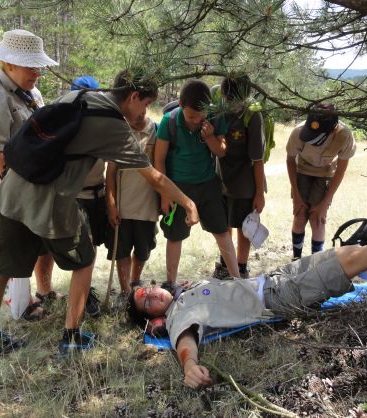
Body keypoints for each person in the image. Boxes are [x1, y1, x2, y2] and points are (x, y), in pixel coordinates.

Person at [128, 163, 367, 389]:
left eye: (147, 290)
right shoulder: (177, 318)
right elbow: (186, 344)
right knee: (355, 258)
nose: (152, 294)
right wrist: (189, 366)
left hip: (277, 276)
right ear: (154, 320)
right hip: (280, 297)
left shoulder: (187, 289)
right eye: (147, 303)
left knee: (345, 252)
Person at [0, 68, 199, 357]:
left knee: (1, 268)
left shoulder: (80, 95)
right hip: (51, 198)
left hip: (14, 190)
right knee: (85, 260)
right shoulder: (113, 124)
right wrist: (188, 203)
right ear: (133, 96)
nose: (144, 112)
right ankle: (72, 336)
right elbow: (153, 177)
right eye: (144, 103)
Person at [0, 29, 60, 320]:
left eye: (39, 65)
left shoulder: (31, 92)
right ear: (7, 63)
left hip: (34, 180)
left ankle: (34, 297)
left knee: (36, 241)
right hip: (8, 181)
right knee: (9, 256)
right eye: (30, 65)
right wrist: (17, 195)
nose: (38, 72)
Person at [154, 79, 240, 286]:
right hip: (177, 187)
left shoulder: (214, 118)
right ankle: (170, 283)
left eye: (200, 115)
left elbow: (221, 151)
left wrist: (210, 136)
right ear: (182, 105)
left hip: (208, 183)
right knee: (175, 236)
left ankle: (238, 279)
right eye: (191, 116)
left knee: (221, 230)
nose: (195, 120)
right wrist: (165, 194)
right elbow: (159, 159)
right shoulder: (170, 121)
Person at [212, 74, 266, 280]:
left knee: (245, 226)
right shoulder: (218, 112)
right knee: (223, 225)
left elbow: (257, 159)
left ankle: (241, 267)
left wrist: (259, 193)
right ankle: (226, 264)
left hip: (246, 182)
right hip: (222, 178)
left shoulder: (252, 116)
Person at [286, 104, 356, 259]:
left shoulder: (344, 136)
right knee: (300, 215)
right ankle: (296, 258)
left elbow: (341, 170)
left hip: (326, 173)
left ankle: (315, 262)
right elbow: (290, 160)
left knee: (318, 219)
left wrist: (325, 201)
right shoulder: (298, 132)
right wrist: (296, 196)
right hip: (302, 170)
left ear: (334, 129)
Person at [105, 112, 159, 299]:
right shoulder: (119, 132)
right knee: (121, 250)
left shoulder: (156, 131)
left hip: (147, 204)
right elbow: (110, 172)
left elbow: (161, 167)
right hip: (122, 205)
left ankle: (135, 281)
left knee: (144, 250)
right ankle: (125, 290)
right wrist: (111, 204)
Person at [71, 75, 106, 318]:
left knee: (91, 248)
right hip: (75, 198)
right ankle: (76, 300)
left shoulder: (103, 125)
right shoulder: (66, 126)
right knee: (81, 250)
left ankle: (85, 293)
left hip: (98, 195)